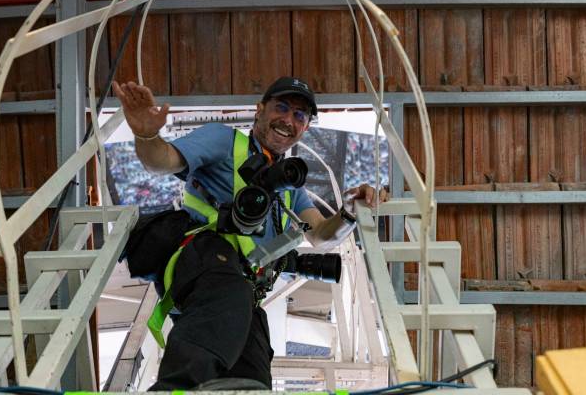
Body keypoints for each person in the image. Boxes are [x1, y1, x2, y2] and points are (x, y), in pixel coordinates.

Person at [112, 76, 388, 391]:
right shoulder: (223, 141)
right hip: (201, 260)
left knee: (254, 346)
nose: (288, 120)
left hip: (239, 289)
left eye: (299, 116)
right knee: (231, 290)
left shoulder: (290, 190)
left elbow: (322, 235)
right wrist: (147, 135)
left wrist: (349, 212)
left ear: (305, 128)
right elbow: (162, 161)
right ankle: (176, 387)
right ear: (259, 110)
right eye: (281, 108)